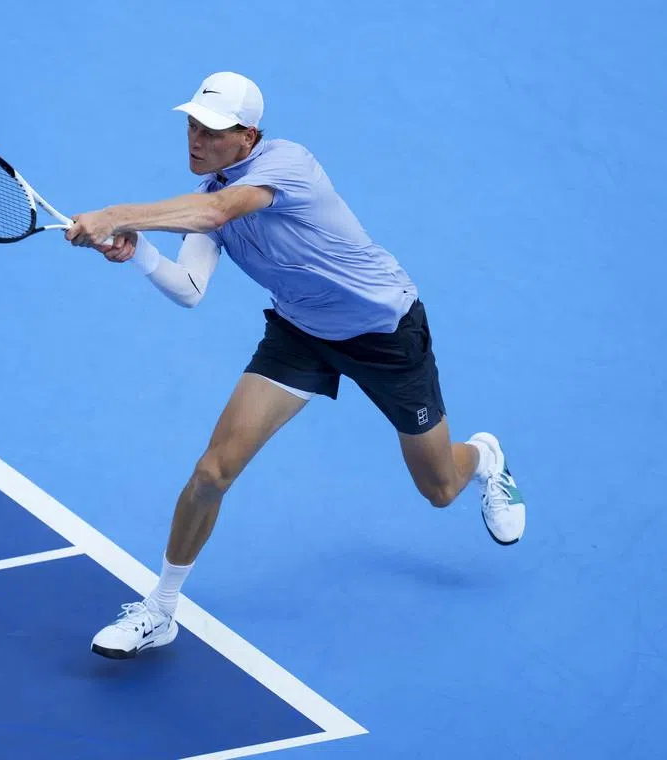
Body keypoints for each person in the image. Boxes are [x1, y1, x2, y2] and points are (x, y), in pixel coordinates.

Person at [64, 72, 526, 660]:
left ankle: (485, 456)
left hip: (385, 333)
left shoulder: (287, 164)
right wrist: (138, 250)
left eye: (211, 130)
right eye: (191, 125)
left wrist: (117, 213)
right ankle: (161, 609)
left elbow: (219, 213)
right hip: (300, 333)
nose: (195, 139)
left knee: (439, 488)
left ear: (248, 135)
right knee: (211, 473)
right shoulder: (207, 191)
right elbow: (188, 288)